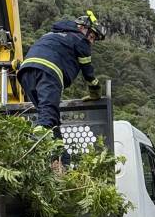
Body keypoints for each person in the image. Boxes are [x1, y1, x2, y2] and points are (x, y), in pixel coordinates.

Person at [18, 11, 105, 143]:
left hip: (26, 72)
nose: (91, 42)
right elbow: (88, 71)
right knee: (47, 116)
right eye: (92, 36)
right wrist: (95, 90)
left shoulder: (51, 34)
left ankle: (59, 152)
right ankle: (32, 145)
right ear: (82, 28)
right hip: (48, 72)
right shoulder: (81, 40)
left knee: (48, 114)